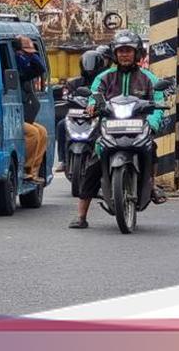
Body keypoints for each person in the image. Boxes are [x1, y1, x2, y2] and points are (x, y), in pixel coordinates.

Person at [68, 30, 167, 229]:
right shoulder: (104, 77)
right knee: (93, 165)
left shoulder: (149, 78)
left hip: (139, 126)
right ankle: (81, 214)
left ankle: (152, 185)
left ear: (137, 53)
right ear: (114, 53)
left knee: (152, 150)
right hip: (108, 126)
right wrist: (91, 105)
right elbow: (94, 96)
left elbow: (159, 101)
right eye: (121, 51)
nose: (124, 54)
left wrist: (154, 121)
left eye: (128, 50)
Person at [55, 46, 113, 172]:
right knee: (61, 125)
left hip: (98, 114)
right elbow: (66, 95)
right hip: (78, 115)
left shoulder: (106, 80)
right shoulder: (74, 83)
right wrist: (67, 97)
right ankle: (63, 160)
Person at [15, 35, 48, 185]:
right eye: (25, 52)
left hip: (23, 116)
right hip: (13, 119)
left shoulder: (26, 69)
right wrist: (20, 54)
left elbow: (41, 67)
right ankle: (25, 169)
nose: (28, 56)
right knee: (32, 133)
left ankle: (33, 171)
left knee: (42, 131)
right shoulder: (17, 66)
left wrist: (31, 53)